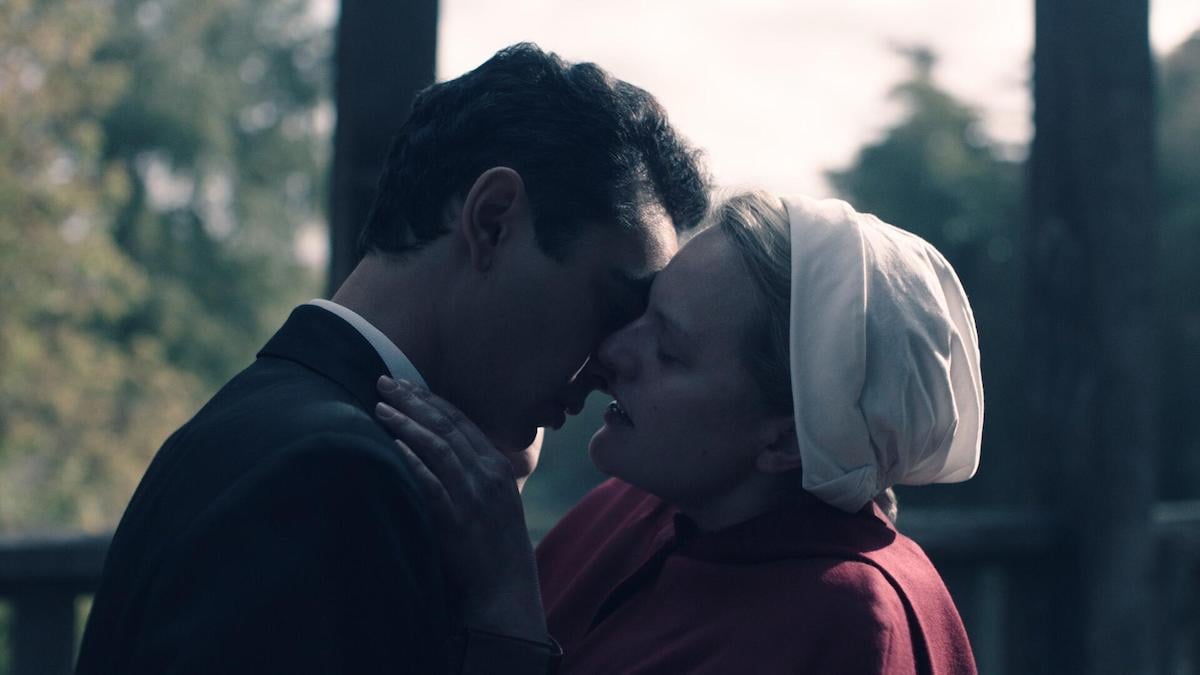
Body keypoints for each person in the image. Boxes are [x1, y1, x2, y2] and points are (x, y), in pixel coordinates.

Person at [75, 43, 709, 674]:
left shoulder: (264, 424)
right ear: (492, 221)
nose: (610, 367)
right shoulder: (337, 476)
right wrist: (506, 626)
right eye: (611, 307)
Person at [375, 190, 982, 673]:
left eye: (669, 349)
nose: (611, 350)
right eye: (641, 313)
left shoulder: (850, 622)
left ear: (785, 442)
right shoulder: (633, 508)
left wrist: (505, 603)